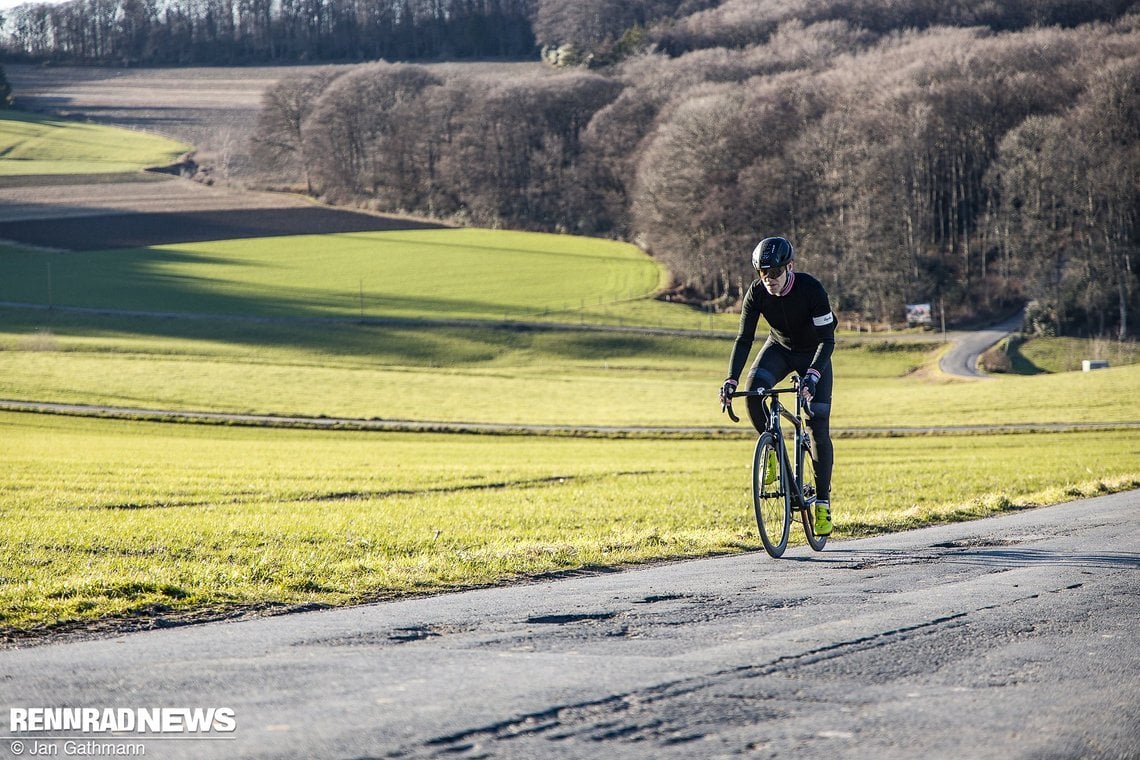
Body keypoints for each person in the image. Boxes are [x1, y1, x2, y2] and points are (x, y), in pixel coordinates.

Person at [718, 236, 835, 536]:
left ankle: (822, 503)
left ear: (789, 267)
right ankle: (772, 448)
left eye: (774, 273)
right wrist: (731, 378)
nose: (768, 280)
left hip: (814, 353)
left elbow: (827, 340)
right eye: (762, 274)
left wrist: (813, 376)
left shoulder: (811, 289)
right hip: (779, 349)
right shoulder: (757, 292)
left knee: (818, 422)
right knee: (753, 394)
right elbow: (744, 339)